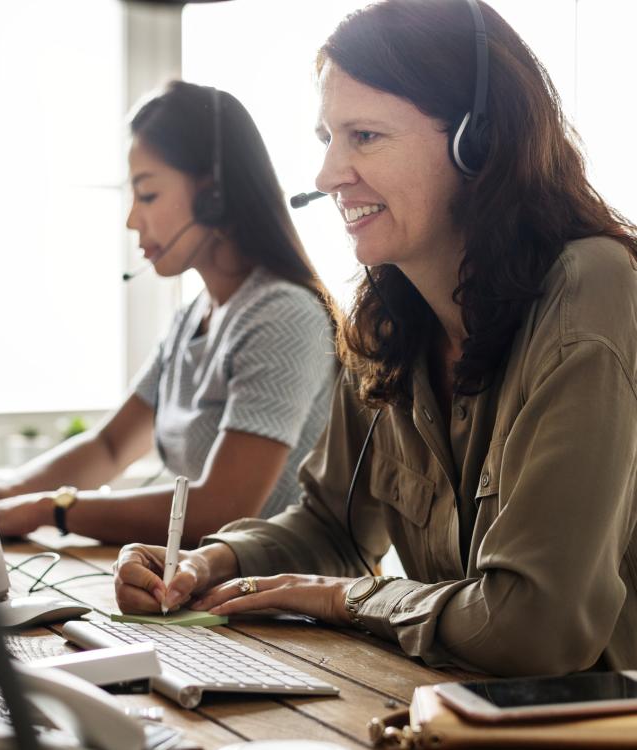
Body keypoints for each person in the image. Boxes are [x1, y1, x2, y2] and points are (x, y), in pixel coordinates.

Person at [115, 0, 637, 677]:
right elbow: (331, 527)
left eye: (363, 136)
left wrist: (345, 600)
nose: (328, 174)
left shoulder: (593, 289)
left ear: (475, 142)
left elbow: (536, 627)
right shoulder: (391, 322)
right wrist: (209, 561)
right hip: (449, 713)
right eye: (327, 137)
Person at [0, 81, 338, 546]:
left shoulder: (283, 316)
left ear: (214, 195)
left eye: (148, 195)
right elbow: (110, 447)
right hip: (201, 594)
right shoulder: (192, 318)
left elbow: (218, 511)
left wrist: (50, 510)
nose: (133, 219)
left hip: (280, 606)